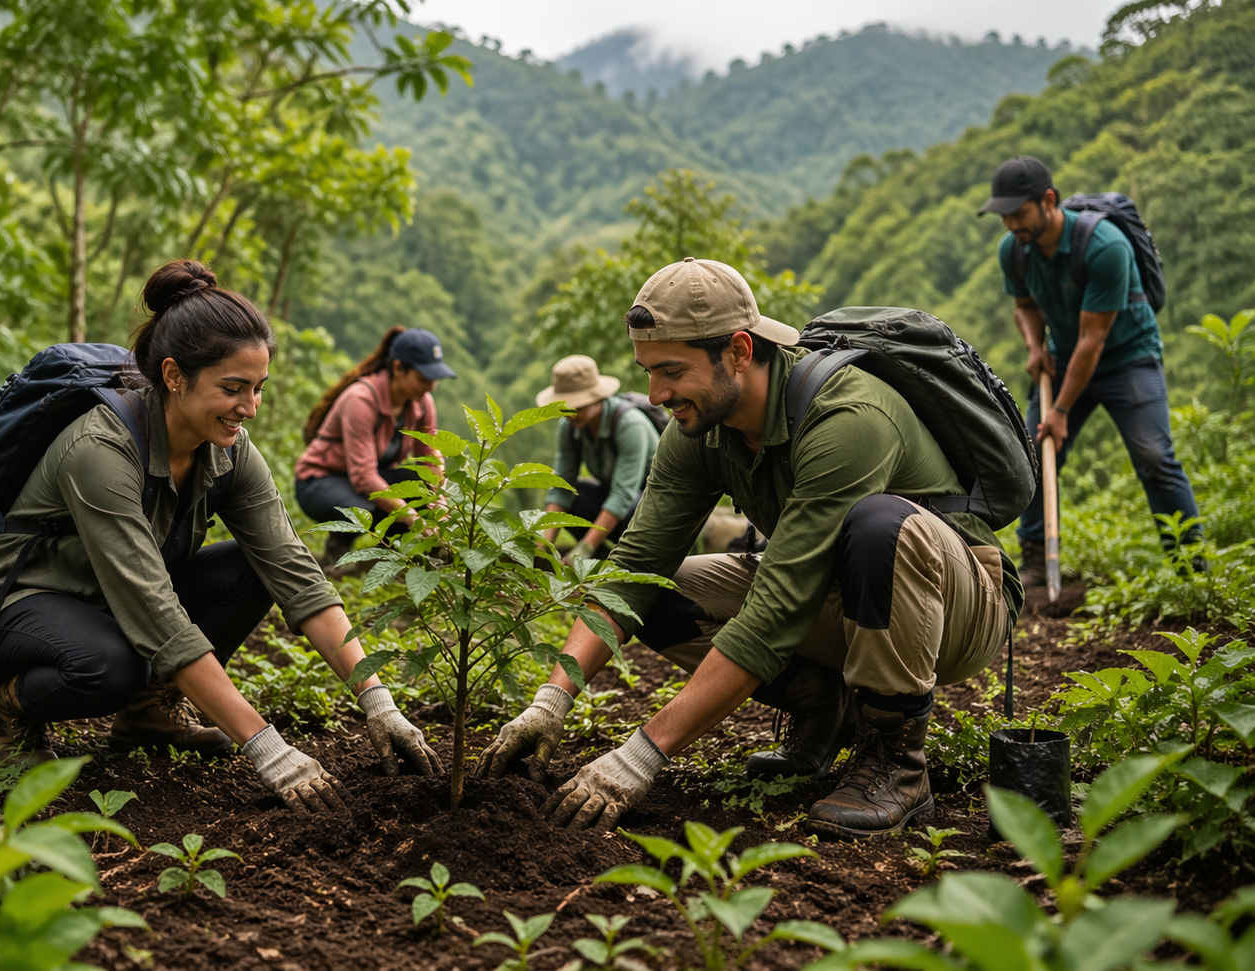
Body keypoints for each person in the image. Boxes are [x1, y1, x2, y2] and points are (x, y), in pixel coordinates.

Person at [477, 258, 1023, 838]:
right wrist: (550, 701)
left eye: (672, 371)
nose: (657, 394)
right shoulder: (700, 428)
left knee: (877, 525)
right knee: (657, 592)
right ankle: (825, 708)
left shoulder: (847, 416)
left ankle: (897, 763)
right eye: (648, 371)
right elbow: (634, 566)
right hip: (837, 595)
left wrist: (637, 758)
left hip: (954, 607)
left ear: (738, 351)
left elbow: (777, 610)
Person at [0, 261, 442, 814]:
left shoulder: (228, 448)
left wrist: (379, 701)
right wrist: (269, 749)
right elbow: (154, 612)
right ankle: (7, 706)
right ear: (174, 375)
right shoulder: (100, 451)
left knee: (253, 569)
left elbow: (295, 572)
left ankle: (149, 713)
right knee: (112, 665)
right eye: (232, 388)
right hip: (18, 602)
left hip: (110, 600)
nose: (249, 408)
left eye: (257, 388)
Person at [979, 155, 1201, 583]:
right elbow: (1025, 306)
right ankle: (1036, 560)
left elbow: (1093, 339)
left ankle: (1191, 565)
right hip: (1065, 356)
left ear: (1048, 200)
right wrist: (1034, 348)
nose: (1010, 224)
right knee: (1034, 453)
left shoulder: (1105, 247)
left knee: (1154, 456)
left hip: (1128, 357)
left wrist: (1060, 411)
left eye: (1018, 213)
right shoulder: (1015, 249)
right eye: (1003, 216)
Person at [294, 326, 456, 561]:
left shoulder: (422, 403)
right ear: (398, 368)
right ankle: (338, 556)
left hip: (366, 477)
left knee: (418, 482)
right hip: (319, 482)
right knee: (370, 509)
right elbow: (364, 477)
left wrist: (440, 506)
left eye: (434, 380)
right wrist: (414, 519)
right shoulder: (360, 400)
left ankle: (394, 560)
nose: (430, 387)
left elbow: (431, 461)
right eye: (423, 379)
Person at [536, 355, 658, 564]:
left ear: (597, 399)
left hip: (648, 507)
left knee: (631, 508)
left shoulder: (630, 425)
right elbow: (561, 487)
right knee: (575, 493)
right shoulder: (570, 427)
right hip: (616, 501)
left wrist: (581, 551)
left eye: (577, 407)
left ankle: (622, 559)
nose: (570, 414)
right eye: (565, 409)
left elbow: (622, 495)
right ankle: (598, 559)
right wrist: (541, 548)